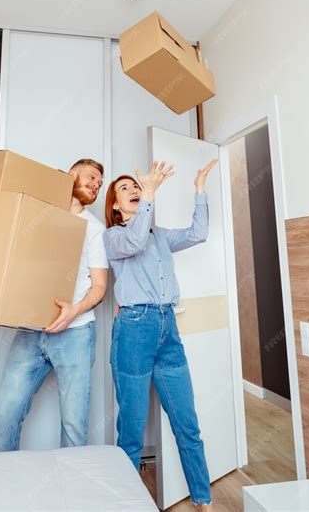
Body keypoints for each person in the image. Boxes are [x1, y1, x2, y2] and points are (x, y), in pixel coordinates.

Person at [103, 159, 218, 511]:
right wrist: (151, 194)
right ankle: (127, 504)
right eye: (127, 189)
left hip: (169, 329)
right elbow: (136, 240)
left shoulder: (161, 236)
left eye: (137, 187)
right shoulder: (114, 236)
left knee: (187, 423)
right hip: (135, 331)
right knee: (132, 431)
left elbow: (197, 234)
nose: (135, 190)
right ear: (115, 206)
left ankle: (204, 500)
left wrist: (199, 189)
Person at [0, 158, 108, 451]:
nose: (96, 185)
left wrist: (73, 312)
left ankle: (69, 493)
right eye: (92, 177)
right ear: (70, 175)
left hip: (76, 334)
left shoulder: (95, 229)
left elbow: (100, 287)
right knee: (5, 417)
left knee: (73, 428)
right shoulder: (39, 215)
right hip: (31, 330)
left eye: (99, 184)